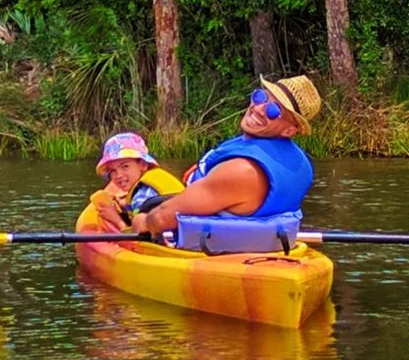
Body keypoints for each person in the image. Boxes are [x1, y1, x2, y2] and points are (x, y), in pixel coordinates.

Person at [131, 75, 321, 240]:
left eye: (274, 111)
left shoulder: (243, 171)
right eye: (260, 96)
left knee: (134, 201)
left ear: (289, 130)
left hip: (211, 248)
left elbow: (162, 218)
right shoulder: (299, 163)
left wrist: (144, 222)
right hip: (263, 240)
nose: (258, 108)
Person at [91, 132, 184, 232]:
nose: (119, 175)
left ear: (142, 165)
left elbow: (140, 234)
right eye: (113, 171)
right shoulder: (154, 179)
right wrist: (125, 206)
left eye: (125, 166)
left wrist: (116, 219)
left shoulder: (141, 194)